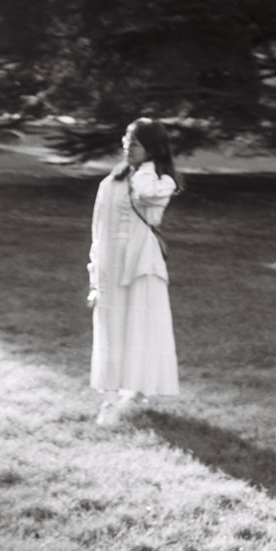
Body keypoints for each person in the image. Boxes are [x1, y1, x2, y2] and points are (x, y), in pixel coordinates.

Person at [87, 117, 183, 425]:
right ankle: (114, 396)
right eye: (126, 139)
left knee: (140, 327)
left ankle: (137, 391)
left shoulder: (161, 182)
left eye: (136, 142)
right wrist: (94, 277)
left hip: (142, 265)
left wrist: (147, 166)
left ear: (152, 148)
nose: (127, 146)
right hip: (111, 267)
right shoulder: (109, 183)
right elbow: (98, 233)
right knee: (113, 328)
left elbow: (144, 194)